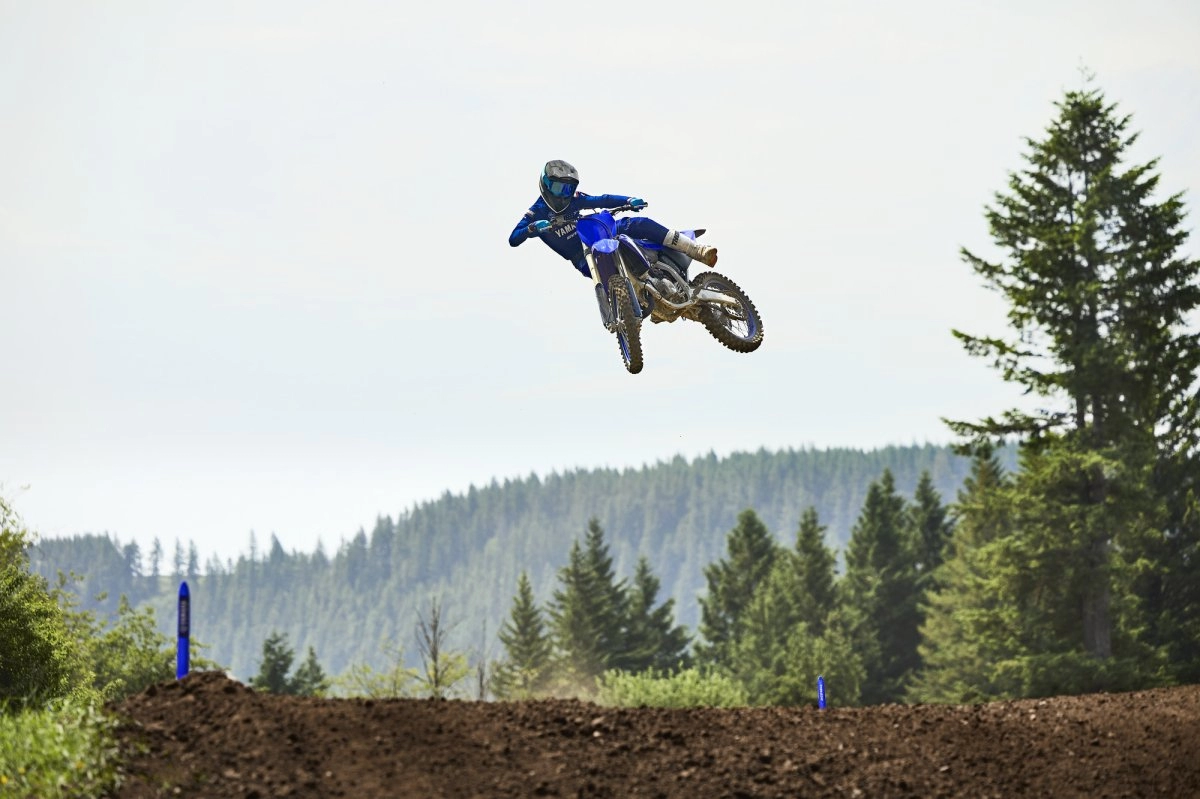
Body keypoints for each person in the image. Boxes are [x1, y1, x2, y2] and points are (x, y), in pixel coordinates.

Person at [508, 160, 718, 280]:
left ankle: (696, 250)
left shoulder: (574, 200)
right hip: (581, 258)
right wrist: (531, 229)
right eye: (558, 188)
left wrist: (628, 200)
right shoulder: (536, 212)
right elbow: (513, 238)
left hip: (600, 235)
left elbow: (602, 199)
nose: (564, 194)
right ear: (545, 185)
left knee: (637, 223)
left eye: (568, 189)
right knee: (604, 277)